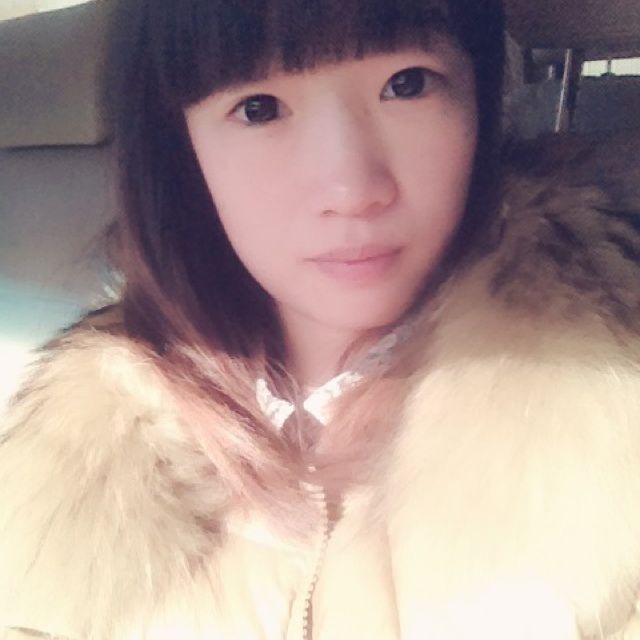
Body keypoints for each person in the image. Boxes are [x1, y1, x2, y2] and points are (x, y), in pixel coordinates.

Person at [1, 0, 639, 638]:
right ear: (181, 150)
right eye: (259, 109)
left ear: (479, 98)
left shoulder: (610, 434)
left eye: (407, 84)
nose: (352, 189)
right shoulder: (63, 467)